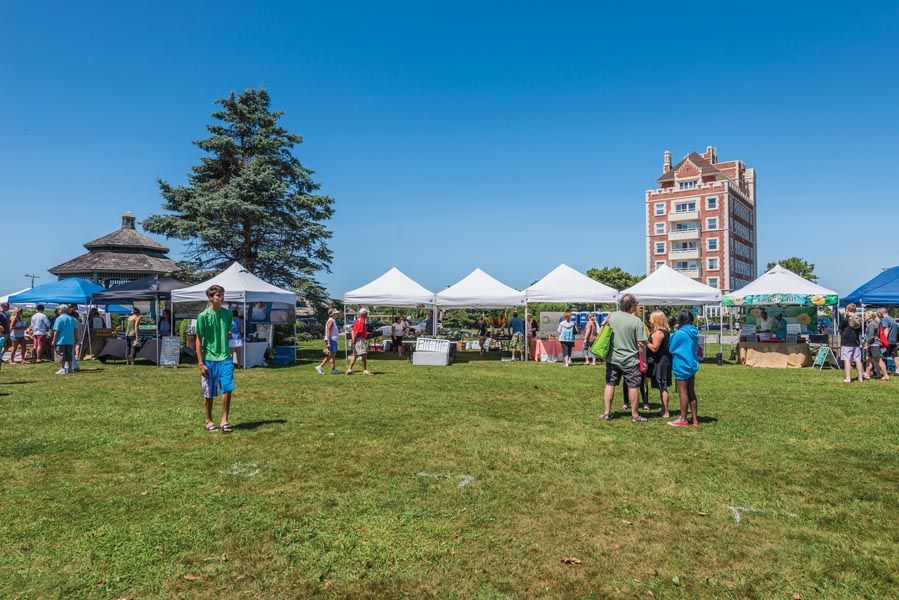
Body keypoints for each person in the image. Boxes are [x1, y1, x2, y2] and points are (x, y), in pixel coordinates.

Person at [600, 294, 648, 423]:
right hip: (630, 360)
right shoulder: (636, 321)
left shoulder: (612, 316)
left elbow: (602, 332)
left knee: (610, 384)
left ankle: (606, 413)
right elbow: (641, 344)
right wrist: (643, 360)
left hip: (612, 358)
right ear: (632, 305)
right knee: (633, 386)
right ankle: (635, 415)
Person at [195, 284, 235, 433]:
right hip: (209, 359)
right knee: (209, 393)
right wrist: (200, 363)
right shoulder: (203, 316)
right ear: (211, 298)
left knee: (227, 389)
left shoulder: (228, 314)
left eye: (222, 294)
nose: (222, 297)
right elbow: (198, 339)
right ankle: (209, 420)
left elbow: (226, 334)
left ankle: (225, 420)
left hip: (225, 358)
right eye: (218, 295)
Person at [668, 310, 701, 427]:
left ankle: (683, 419)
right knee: (691, 392)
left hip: (681, 365)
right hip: (692, 364)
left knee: (683, 392)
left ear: (680, 320)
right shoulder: (695, 332)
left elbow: (671, 348)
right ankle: (695, 419)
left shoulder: (679, 333)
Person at [646, 310, 672, 418]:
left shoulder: (658, 333)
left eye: (651, 318)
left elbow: (654, 348)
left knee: (662, 386)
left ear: (656, 319)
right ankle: (663, 410)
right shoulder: (665, 331)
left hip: (661, 362)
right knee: (662, 386)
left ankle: (665, 411)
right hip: (663, 360)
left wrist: (644, 341)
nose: (649, 320)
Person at [840, 304, 865, 384]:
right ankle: (860, 378)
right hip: (856, 342)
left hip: (847, 342)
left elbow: (840, 327)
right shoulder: (858, 319)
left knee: (847, 359)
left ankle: (848, 378)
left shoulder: (846, 319)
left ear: (847, 309)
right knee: (858, 360)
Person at [51, 304, 77, 375]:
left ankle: (62, 368)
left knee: (61, 354)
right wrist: (76, 338)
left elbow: (56, 331)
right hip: (70, 340)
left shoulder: (59, 319)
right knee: (69, 355)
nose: (58, 310)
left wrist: (54, 340)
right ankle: (71, 368)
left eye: (59, 309)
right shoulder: (71, 318)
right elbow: (75, 330)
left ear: (61, 310)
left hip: (60, 340)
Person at [316, 308, 341, 375]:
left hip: (333, 339)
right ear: (332, 314)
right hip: (331, 340)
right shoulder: (331, 321)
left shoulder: (333, 320)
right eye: (335, 313)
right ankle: (320, 366)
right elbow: (328, 332)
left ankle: (333, 369)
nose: (337, 314)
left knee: (333, 355)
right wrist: (329, 343)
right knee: (332, 354)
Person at [863, 310, 887, 381]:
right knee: (869, 360)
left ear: (870, 316)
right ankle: (867, 374)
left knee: (879, 360)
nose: (864, 316)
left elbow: (871, 337)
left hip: (874, 344)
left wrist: (866, 344)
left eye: (865, 315)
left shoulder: (872, 324)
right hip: (872, 345)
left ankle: (886, 375)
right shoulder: (871, 323)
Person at [346, 307, 371, 375]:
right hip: (359, 340)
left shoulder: (358, 320)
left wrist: (353, 339)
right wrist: (354, 340)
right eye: (366, 313)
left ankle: (349, 369)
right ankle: (365, 370)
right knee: (364, 354)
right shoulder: (362, 321)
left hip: (357, 339)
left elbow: (353, 331)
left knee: (355, 355)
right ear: (363, 314)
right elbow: (358, 332)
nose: (367, 315)